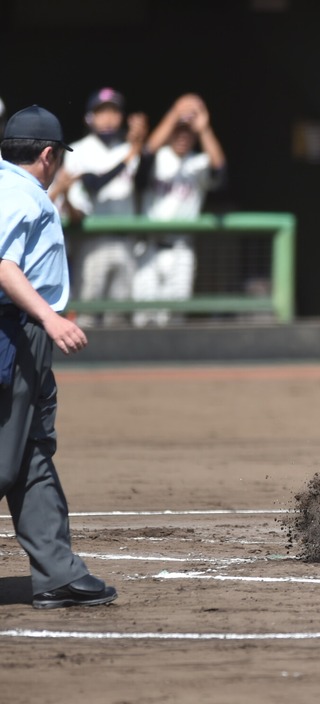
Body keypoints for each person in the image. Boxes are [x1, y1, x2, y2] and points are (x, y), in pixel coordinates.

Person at [0, 105, 117, 609]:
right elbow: (4, 267)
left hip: (25, 332)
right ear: (48, 154)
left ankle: (58, 573)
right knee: (5, 459)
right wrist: (49, 318)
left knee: (31, 452)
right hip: (14, 330)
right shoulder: (19, 193)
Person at [132, 93, 227, 327]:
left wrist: (204, 129)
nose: (183, 136)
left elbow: (221, 172)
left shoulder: (200, 162)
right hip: (148, 247)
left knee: (174, 319)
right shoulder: (158, 157)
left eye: (188, 131)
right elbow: (145, 155)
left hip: (181, 249)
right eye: (178, 130)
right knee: (142, 318)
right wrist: (175, 114)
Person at [64, 87, 148, 327]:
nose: (108, 117)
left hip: (125, 242)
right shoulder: (78, 149)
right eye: (102, 111)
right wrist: (132, 153)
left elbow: (146, 180)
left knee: (119, 318)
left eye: (114, 111)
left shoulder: (129, 149)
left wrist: (141, 144)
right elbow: (94, 184)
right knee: (86, 315)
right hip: (93, 242)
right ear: (90, 117)